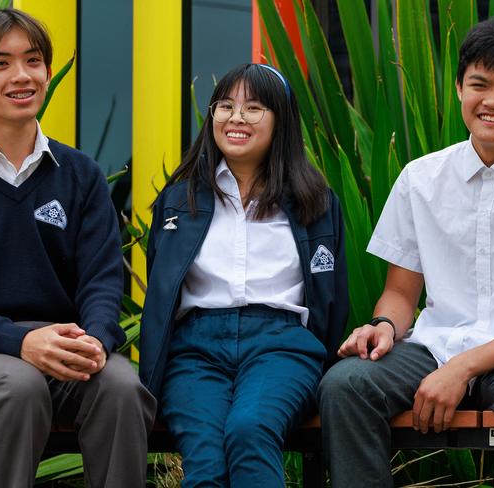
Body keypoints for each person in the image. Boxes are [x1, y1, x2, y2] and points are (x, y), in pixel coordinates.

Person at [319, 15, 494, 488]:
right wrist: (382, 327)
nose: (492, 102)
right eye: (480, 84)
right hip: (434, 345)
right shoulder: (420, 178)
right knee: (346, 384)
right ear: (459, 87)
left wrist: (463, 367)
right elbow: (400, 292)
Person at [0, 8, 156, 487]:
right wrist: (22, 342)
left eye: (33, 61)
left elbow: (102, 280)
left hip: (68, 344)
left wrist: (94, 340)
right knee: (17, 387)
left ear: (49, 72)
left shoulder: (81, 175)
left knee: (121, 388)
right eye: (1, 64)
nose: (22, 76)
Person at [140, 63, 348, 487]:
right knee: (206, 455)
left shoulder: (316, 201)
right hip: (195, 350)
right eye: (226, 106)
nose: (236, 118)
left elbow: (332, 297)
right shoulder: (179, 200)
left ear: (281, 121)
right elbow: (162, 292)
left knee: (250, 430)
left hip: (281, 345)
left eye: (254, 108)